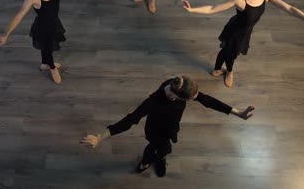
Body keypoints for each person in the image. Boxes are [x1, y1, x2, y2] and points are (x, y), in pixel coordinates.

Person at [80, 75, 254, 177]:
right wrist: (100, 137)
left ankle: (157, 157)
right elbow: (131, 119)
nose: (194, 99)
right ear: (177, 96)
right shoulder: (153, 101)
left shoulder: (177, 84)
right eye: (190, 99)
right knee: (159, 147)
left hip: (171, 127)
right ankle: (149, 160)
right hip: (155, 131)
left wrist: (237, 113)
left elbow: (208, 101)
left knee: (163, 147)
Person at [182, 0, 304, 87]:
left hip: (246, 31)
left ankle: (221, 69)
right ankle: (227, 70)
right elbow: (212, 8)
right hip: (235, 30)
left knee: (229, 51)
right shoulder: (240, 0)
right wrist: (192, 10)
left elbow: (289, 8)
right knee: (230, 52)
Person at [0, 0, 114, 84]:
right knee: (47, 47)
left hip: (54, 22)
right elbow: (19, 16)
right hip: (43, 27)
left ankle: (44, 64)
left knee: (47, 47)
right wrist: (5, 34)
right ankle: (52, 67)